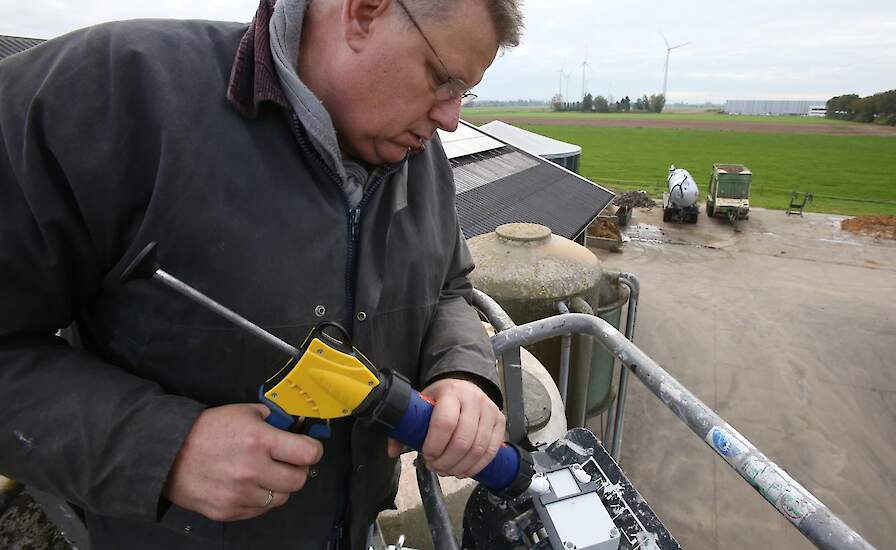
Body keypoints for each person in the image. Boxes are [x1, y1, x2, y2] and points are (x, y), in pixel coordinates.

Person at [0, 0, 524, 547]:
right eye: (443, 80)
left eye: (464, 91)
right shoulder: (113, 91)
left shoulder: (418, 153)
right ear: (363, 13)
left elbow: (449, 288)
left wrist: (460, 372)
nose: (451, 118)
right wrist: (165, 449)